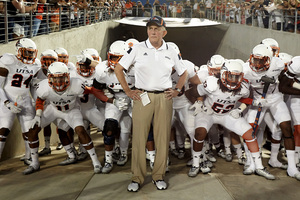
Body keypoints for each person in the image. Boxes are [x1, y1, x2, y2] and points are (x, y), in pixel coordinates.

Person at [115, 16, 187, 192]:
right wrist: (128, 91)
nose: (153, 32)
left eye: (156, 29)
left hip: (165, 97)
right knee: (139, 138)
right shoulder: (138, 48)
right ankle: (137, 177)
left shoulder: (171, 49)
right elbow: (118, 68)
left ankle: (158, 175)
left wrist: (177, 89)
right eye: (150, 29)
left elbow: (183, 72)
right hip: (143, 97)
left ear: (164, 31)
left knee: (162, 138)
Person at [185, 60, 275, 180]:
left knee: (249, 134)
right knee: (200, 133)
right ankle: (196, 164)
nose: (234, 80)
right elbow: (189, 92)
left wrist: (246, 106)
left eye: (237, 77)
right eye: (231, 76)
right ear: (223, 74)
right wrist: (199, 102)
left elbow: (246, 98)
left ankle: (259, 166)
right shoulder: (212, 84)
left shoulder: (243, 87)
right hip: (208, 113)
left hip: (227, 114)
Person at [23, 61, 112, 175]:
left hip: (71, 110)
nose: (59, 82)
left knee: (81, 131)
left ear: (68, 77)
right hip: (53, 110)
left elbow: (92, 91)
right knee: (32, 130)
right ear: (49, 78)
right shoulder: (44, 87)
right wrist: (38, 115)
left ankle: (95, 162)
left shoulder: (76, 84)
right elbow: (40, 99)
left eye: (62, 78)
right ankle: (34, 163)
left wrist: (108, 98)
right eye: (55, 79)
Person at [242, 43, 300, 180]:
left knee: (286, 128)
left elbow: (285, 81)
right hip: (257, 99)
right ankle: (250, 162)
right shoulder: (245, 69)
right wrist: (252, 101)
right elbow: (241, 93)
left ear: (269, 60)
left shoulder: (278, 64)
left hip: (275, 98)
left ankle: (292, 167)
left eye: (260, 60)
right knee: (250, 131)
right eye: (254, 59)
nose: (256, 63)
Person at [0, 38, 41, 163]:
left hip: (25, 99)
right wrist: (6, 102)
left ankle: (28, 157)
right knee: (4, 130)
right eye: (27, 52)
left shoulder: (36, 64)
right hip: (7, 98)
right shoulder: (8, 60)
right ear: (18, 50)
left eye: (32, 52)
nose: (30, 55)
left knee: (29, 130)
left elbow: (33, 86)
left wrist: (35, 100)